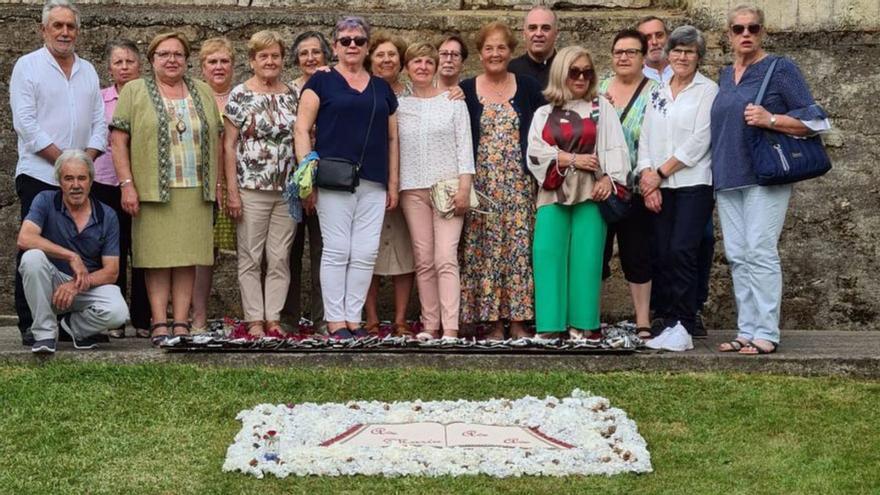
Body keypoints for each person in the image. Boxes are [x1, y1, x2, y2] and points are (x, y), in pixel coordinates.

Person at [711, 5, 830, 355]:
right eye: (738, 29)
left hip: (765, 176)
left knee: (760, 250)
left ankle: (766, 331)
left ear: (763, 32)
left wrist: (771, 119)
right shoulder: (723, 75)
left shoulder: (780, 70)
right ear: (728, 34)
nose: (745, 34)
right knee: (737, 254)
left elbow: (816, 121)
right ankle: (746, 330)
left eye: (753, 28)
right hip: (727, 176)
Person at [110, 31, 223, 345]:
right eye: (164, 54)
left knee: (188, 258)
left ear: (186, 60)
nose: (171, 60)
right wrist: (127, 185)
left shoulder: (202, 90)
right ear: (152, 60)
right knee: (156, 258)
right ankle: (160, 320)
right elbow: (119, 140)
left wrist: (217, 186)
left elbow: (216, 137)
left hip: (194, 189)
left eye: (177, 54)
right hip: (151, 191)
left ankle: (182, 321)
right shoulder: (134, 91)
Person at [294, 16, 400, 339]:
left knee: (366, 251)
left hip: (373, 180)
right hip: (333, 179)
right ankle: (335, 320)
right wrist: (306, 176)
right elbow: (301, 128)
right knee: (338, 248)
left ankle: (354, 319)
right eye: (345, 40)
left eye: (359, 40)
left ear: (367, 46)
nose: (352, 45)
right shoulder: (321, 82)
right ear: (335, 45)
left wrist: (393, 182)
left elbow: (393, 138)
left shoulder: (382, 88)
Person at [9, 0, 107, 346]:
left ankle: (70, 323)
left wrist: (82, 164)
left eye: (70, 26)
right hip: (39, 173)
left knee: (77, 245)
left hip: (79, 175)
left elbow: (99, 123)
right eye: (58, 26)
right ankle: (30, 322)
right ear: (43, 30)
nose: (65, 32)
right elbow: (26, 124)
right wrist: (66, 162)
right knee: (33, 250)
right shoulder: (28, 67)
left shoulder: (89, 70)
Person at [527, 46, 629, 340]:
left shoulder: (601, 108)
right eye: (574, 72)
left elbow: (616, 148)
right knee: (547, 252)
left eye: (587, 72)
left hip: (591, 191)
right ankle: (550, 325)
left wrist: (609, 179)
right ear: (561, 74)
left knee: (587, 256)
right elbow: (534, 151)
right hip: (553, 189)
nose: (581, 77)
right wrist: (571, 159)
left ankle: (583, 324)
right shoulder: (544, 113)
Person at [460, 21, 545, 340]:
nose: (495, 53)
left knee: (519, 251)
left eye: (501, 48)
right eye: (488, 48)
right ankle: (493, 322)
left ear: (511, 52)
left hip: (520, 186)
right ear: (480, 54)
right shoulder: (467, 89)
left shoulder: (527, 87)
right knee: (487, 252)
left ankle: (520, 321)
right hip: (482, 187)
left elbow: (543, 130)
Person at [636, 26, 718, 340]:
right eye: (677, 51)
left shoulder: (707, 90)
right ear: (668, 54)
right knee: (661, 250)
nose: (682, 57)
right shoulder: (657, 90)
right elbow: (646, 136)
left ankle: (686, 317)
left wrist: (660, 172)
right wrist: (648, 178)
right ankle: (665, 314)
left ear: (699, 57)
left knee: (684, 249)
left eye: (689, 52)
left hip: (693, 183)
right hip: (659, 185)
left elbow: (700, 141)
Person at [397, 42, 475, 340]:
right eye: (416, 62)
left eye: (428, 62)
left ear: (435, 66)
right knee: (424, 259)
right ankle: (430, 324)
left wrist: (465, 187)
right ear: (407, 68)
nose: (422, 67)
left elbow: (464, 147)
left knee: (446, 257)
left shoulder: (454, 101)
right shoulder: (399, 106)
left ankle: (450, 327)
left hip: (448, 189)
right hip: (412, 189)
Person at [223, 30, 298, 338]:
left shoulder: (292, 93)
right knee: (251, 256)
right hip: (250, 188)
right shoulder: (240, 94)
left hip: (287, 190)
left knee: (280, 257)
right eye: (263, 56)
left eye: (275, 56)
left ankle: (273, 318)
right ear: (252, 60)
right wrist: (231, 191)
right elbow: (228, 145)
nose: (270, 61)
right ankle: (254, 319)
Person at [18, 150, 128, 353]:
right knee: (31, 258)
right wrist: (71, 256)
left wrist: (75, 286)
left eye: (81, 178)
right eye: (69, 178)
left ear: (91, 181)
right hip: (51, 283)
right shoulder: (45, 200)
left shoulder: (107, 215)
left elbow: (111, 272)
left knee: (118, 312)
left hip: (85, 286)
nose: (76, 185)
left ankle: (73, 327)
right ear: (59, 181)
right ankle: (44, 335)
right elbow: (25, 238)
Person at [598, 29, 658, 336]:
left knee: (637, 253)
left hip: (635, 188)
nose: (623, 57)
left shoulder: (656, 91)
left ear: (644, 56)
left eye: (631, 52)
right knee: (597, 253)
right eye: (618, 51)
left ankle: (643, 319)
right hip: (602, 188)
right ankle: (589, 315)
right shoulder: (599, 87)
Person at [91, 39, 150, 339]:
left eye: (130, 61)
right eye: (118, 62)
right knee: (113, 251)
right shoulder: (99, 99)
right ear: (110, 68)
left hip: (144, 184)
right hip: (105, 183)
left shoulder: (151, 98)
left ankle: (143, 317)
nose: (124, 67)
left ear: (140, 65)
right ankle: (115, 318)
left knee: (143, 251)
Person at [362, 31, 416, 336]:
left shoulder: (413, 95)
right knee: (369, 251)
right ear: (371, 60)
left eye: (392, 55)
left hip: (408, 183)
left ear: (401, 61)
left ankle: (399, 319)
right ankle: (370, 317)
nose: (386, 60)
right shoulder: (363, 91)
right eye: (380, 55)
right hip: (371, 181)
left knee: (404, 252)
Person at [283, 30, 333, 334]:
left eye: (316, 52)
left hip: (327, 182)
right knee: (287, 252)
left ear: (326, 56)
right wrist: (302, 185)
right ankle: (287, 318)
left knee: (323, 252)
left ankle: (323, 319)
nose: (311, 58)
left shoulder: (334, 86)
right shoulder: (287, 91)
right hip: (291, 182)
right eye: (304, 53)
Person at [191, 36, 236, 334]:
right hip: (201, 186)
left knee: (250, 252)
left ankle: (254, 318)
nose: (218, 67)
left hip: (237, 186)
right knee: (201, 256)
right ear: (202, 66)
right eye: (212, 61)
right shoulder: (192, 97)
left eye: (224, 61)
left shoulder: (242, 96)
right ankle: (198, 319)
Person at [508, 5, 558, 88]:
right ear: (524, 34)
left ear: (556, 34)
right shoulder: (510, 71)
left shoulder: (568, 70)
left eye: (545, 28)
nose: (538, 34)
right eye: (532, 28)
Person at [637, 16, 672, 83]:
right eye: (647, 38)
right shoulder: (635, 79)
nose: (654, 42)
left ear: (668, 38)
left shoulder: (685, 74)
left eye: (659, 35)